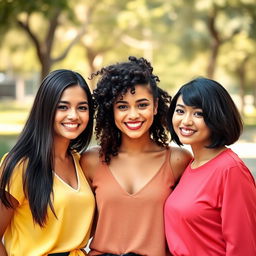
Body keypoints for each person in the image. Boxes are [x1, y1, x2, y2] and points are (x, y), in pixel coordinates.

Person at [80, 56, 192, 256]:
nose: (133, 115)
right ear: (111, 110)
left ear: (155, 106)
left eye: (142, 105)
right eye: (122, 106)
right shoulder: (91, 161)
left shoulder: (178, 160)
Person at [0, 69, 95, 256]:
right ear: (46, 109)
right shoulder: (20, 165)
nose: (74, 115)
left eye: (82, 107)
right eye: (63, 107)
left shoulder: (80, 162)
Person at [164, 77, 256, 256]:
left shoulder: (230, 170)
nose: (186, 121)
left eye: (198, 114)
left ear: (217, 117)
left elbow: (243, 246)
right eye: (180, 111)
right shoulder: (190, 165)